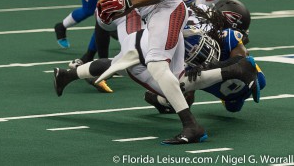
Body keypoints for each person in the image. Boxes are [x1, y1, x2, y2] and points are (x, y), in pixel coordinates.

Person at [66, 0, 206, 144]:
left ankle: (192, 126)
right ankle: (233, 71)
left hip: (168, 7)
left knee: (155, 65)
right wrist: (108, 8)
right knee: (175, 80)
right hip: (149, 14)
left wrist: (128, 4)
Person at [53, 8, 260, 144]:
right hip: (172, 23)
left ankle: (193, 122)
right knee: (153, 72)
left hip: (156, 35)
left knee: (175, 86)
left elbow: (114, 60)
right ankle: (66, 76)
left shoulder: (126, 10)